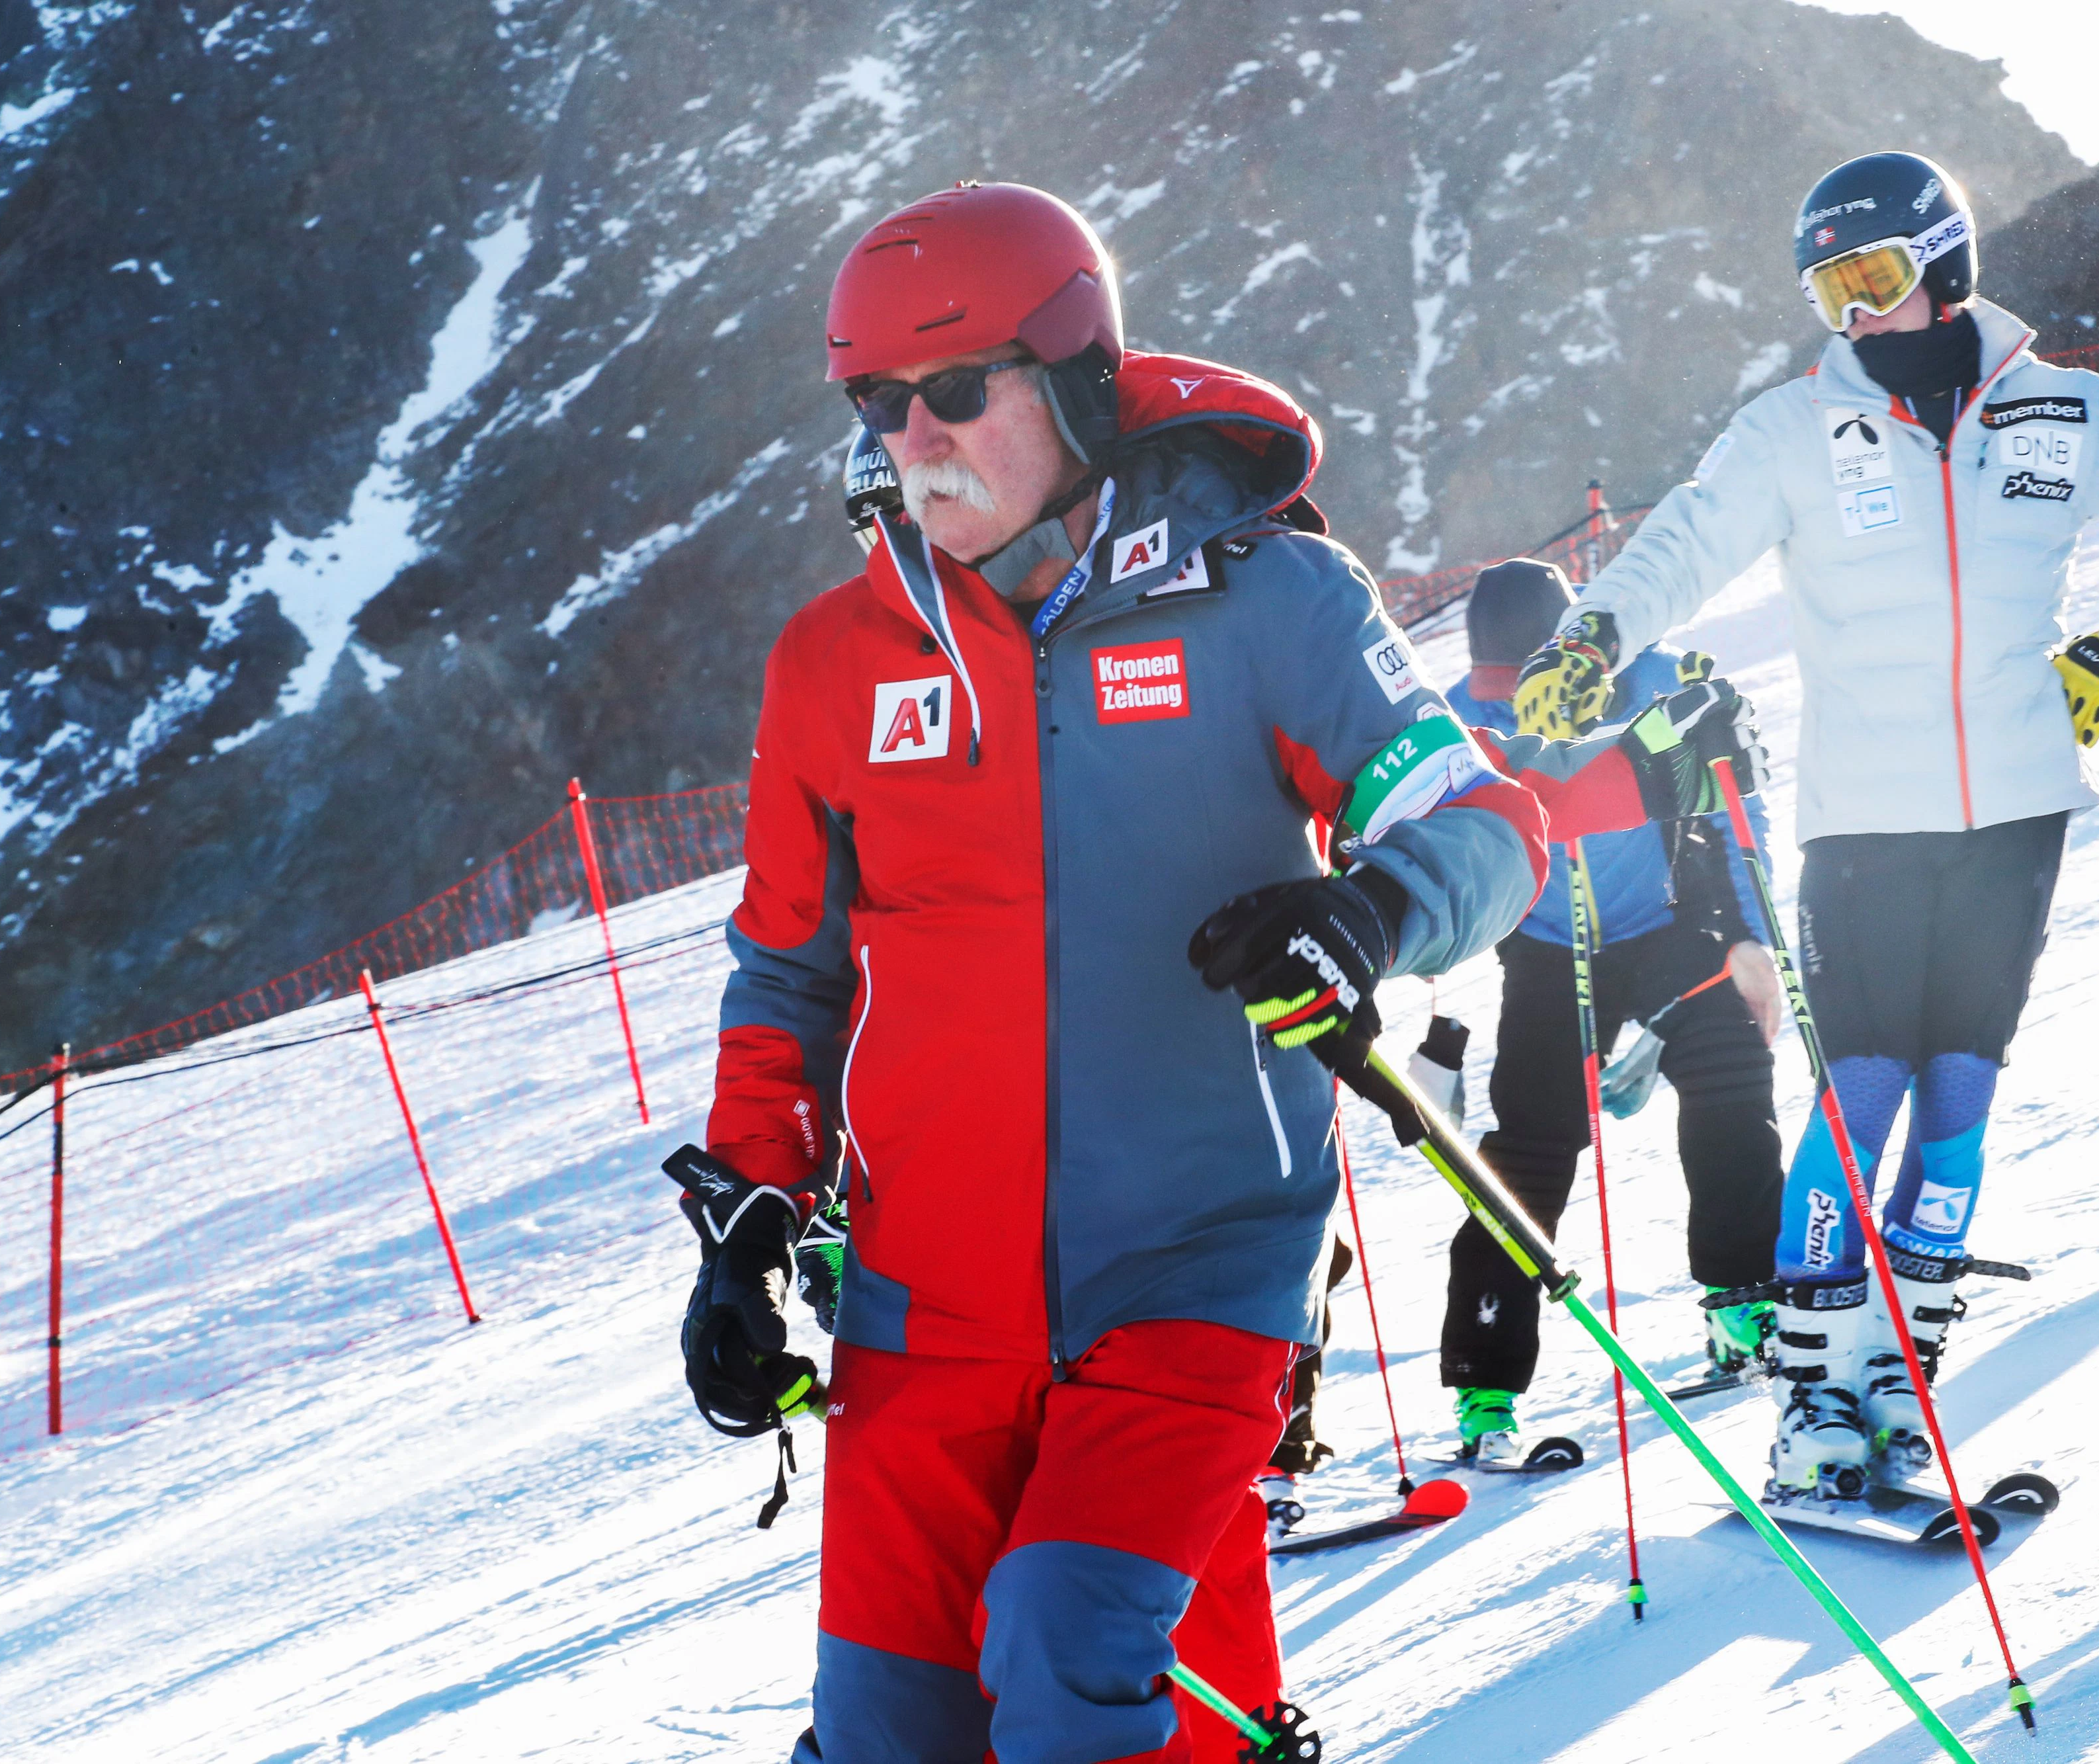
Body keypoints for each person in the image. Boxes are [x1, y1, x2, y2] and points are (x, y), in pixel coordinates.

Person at [673, 181, 1766, 1763]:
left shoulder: (1266, 600)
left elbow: (1485, 824)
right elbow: (781, 977)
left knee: (1063, 1654)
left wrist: (1367, 916)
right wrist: (750, 1212)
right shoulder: (834, 663)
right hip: (921, 1309)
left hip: (1197, 1264)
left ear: (1069, 377)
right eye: (876, 402)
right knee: (889, 1735)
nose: (913, 439)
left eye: (954, 389)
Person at [1512, 150, 2099, 1497]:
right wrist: (1594, 630)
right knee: (1860, 1095)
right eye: (1826, 291)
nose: (1849, 314)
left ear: (1941, 263)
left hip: (2017, 808)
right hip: (1858, 821)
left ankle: (1901, 1383)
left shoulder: (2062, 414)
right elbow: (1677, 541)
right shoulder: (1791, 432)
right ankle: (1811, 1398)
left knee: (1958, 1095)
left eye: (1869, 279)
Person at [1436, 558, 1786, 1464]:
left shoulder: (1655, 679)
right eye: (1497, 689)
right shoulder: (1455, 715)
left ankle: (1744, 1301)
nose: (1515, 702)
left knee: (1730, 1070)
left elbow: (1733, 806)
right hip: (1547, 949)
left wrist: (1755, 941)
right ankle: (1485, 1382)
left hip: (1659, 925)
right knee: (1534, 1146)